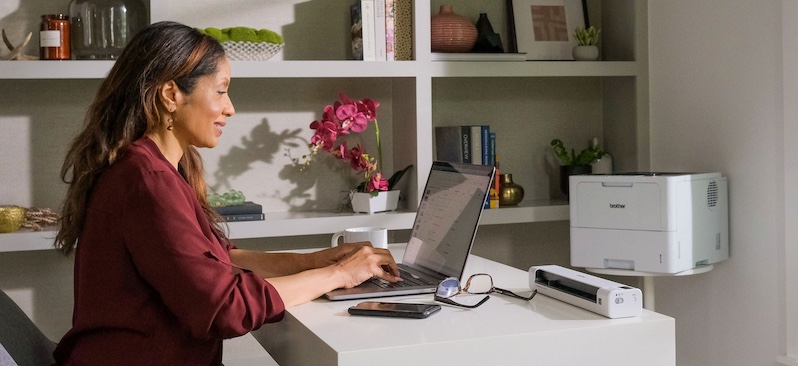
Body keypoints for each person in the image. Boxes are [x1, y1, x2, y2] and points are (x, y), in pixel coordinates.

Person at [52, 21, 401, 365]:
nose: (230, 107)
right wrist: (340, 275)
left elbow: (218, 260)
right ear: (172, 95)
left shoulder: (150, 167)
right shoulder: (147, 180)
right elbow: (225, 307)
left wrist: (315, 261)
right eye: (220, 90)